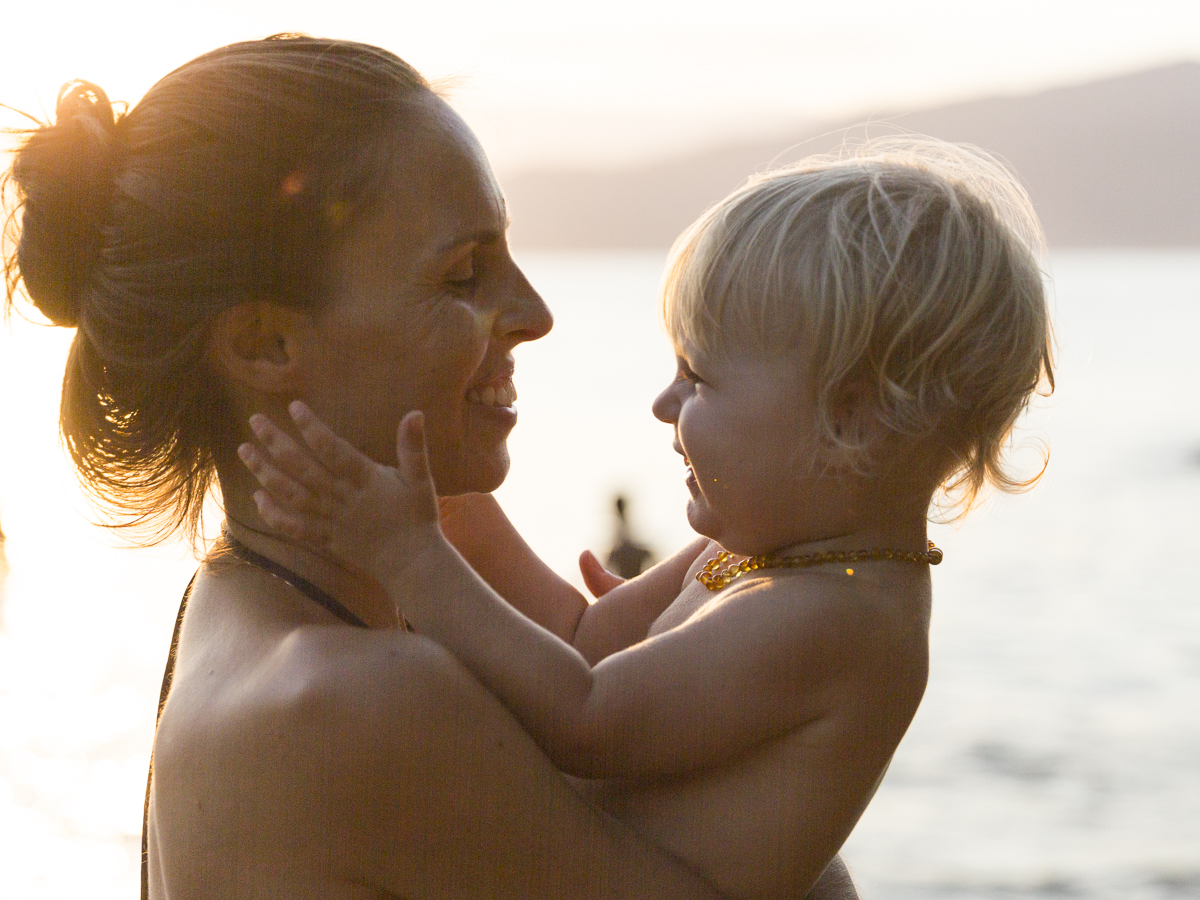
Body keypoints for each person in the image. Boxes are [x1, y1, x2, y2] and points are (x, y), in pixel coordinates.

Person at [3, 35, 861, 899]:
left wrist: (809, 509)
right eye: (464, 274)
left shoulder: (315, 572)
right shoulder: (348, 699)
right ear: (264, 342)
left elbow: (584, 654)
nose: (535, 313)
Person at [240, 141, 1055, 900]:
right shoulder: (758, 557)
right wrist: (457, 508)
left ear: (849, 418)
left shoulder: (838, 616)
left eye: (697, 379)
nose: (663, 404)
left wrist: (412, 555)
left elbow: (587, 717)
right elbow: (583, 639)